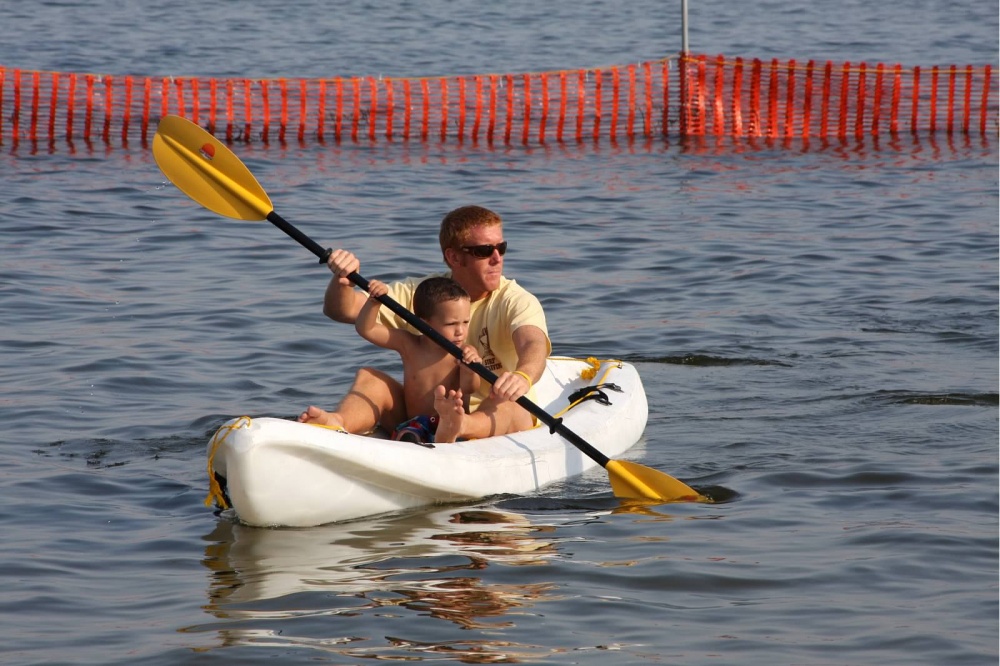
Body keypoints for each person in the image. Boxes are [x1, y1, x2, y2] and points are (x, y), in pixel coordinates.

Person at [297, 205, 550, 441]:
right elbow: (342, 311)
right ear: (454, 257)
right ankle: (338, 423)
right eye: (484, 251)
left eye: (501, 248)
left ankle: (459, 425)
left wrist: (523, 376)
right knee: (370, 378)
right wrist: (342, 281)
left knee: (510, 405)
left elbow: (533, 343)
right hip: (424, 416)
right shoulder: (426, 294)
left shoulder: (515, 300)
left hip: (485, 417)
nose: (497, 258)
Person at [356, 276, 481, 444]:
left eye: (465, 322)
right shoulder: (409, 344)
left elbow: (470, 388)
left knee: (441, 427)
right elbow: (367, 329)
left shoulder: (465, 352)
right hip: (416, 423)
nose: (460, 331)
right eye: (451, 324)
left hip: (451, 423)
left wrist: (470, 370)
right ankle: (340, 423)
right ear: (424, 324)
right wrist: (374, 303)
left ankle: (437, 439)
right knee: (368, 375)